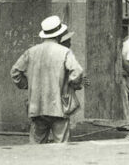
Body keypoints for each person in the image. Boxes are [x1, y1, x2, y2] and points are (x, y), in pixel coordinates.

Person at [10, 15, 84, 145]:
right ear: (59, 35)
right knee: (62, 146)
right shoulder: (64, 52)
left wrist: (28, 85)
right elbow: (77, 72)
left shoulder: (31, 52)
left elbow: (15, 72)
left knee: (36, 147)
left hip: (36, 106)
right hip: (59, 106)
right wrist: (70, 84)